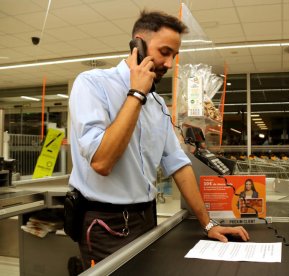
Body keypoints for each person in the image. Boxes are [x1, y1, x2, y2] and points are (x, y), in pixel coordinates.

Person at [68, 10, 249, 269]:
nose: (170, 63)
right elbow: (102, 161)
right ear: (138, 45)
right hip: (104, 223)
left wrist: (208, 224)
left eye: (174, 56)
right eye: (164, 52)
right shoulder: (92, 85)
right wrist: (136, 94)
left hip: (146, 217)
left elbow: (178, 164)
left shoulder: (158, 104)